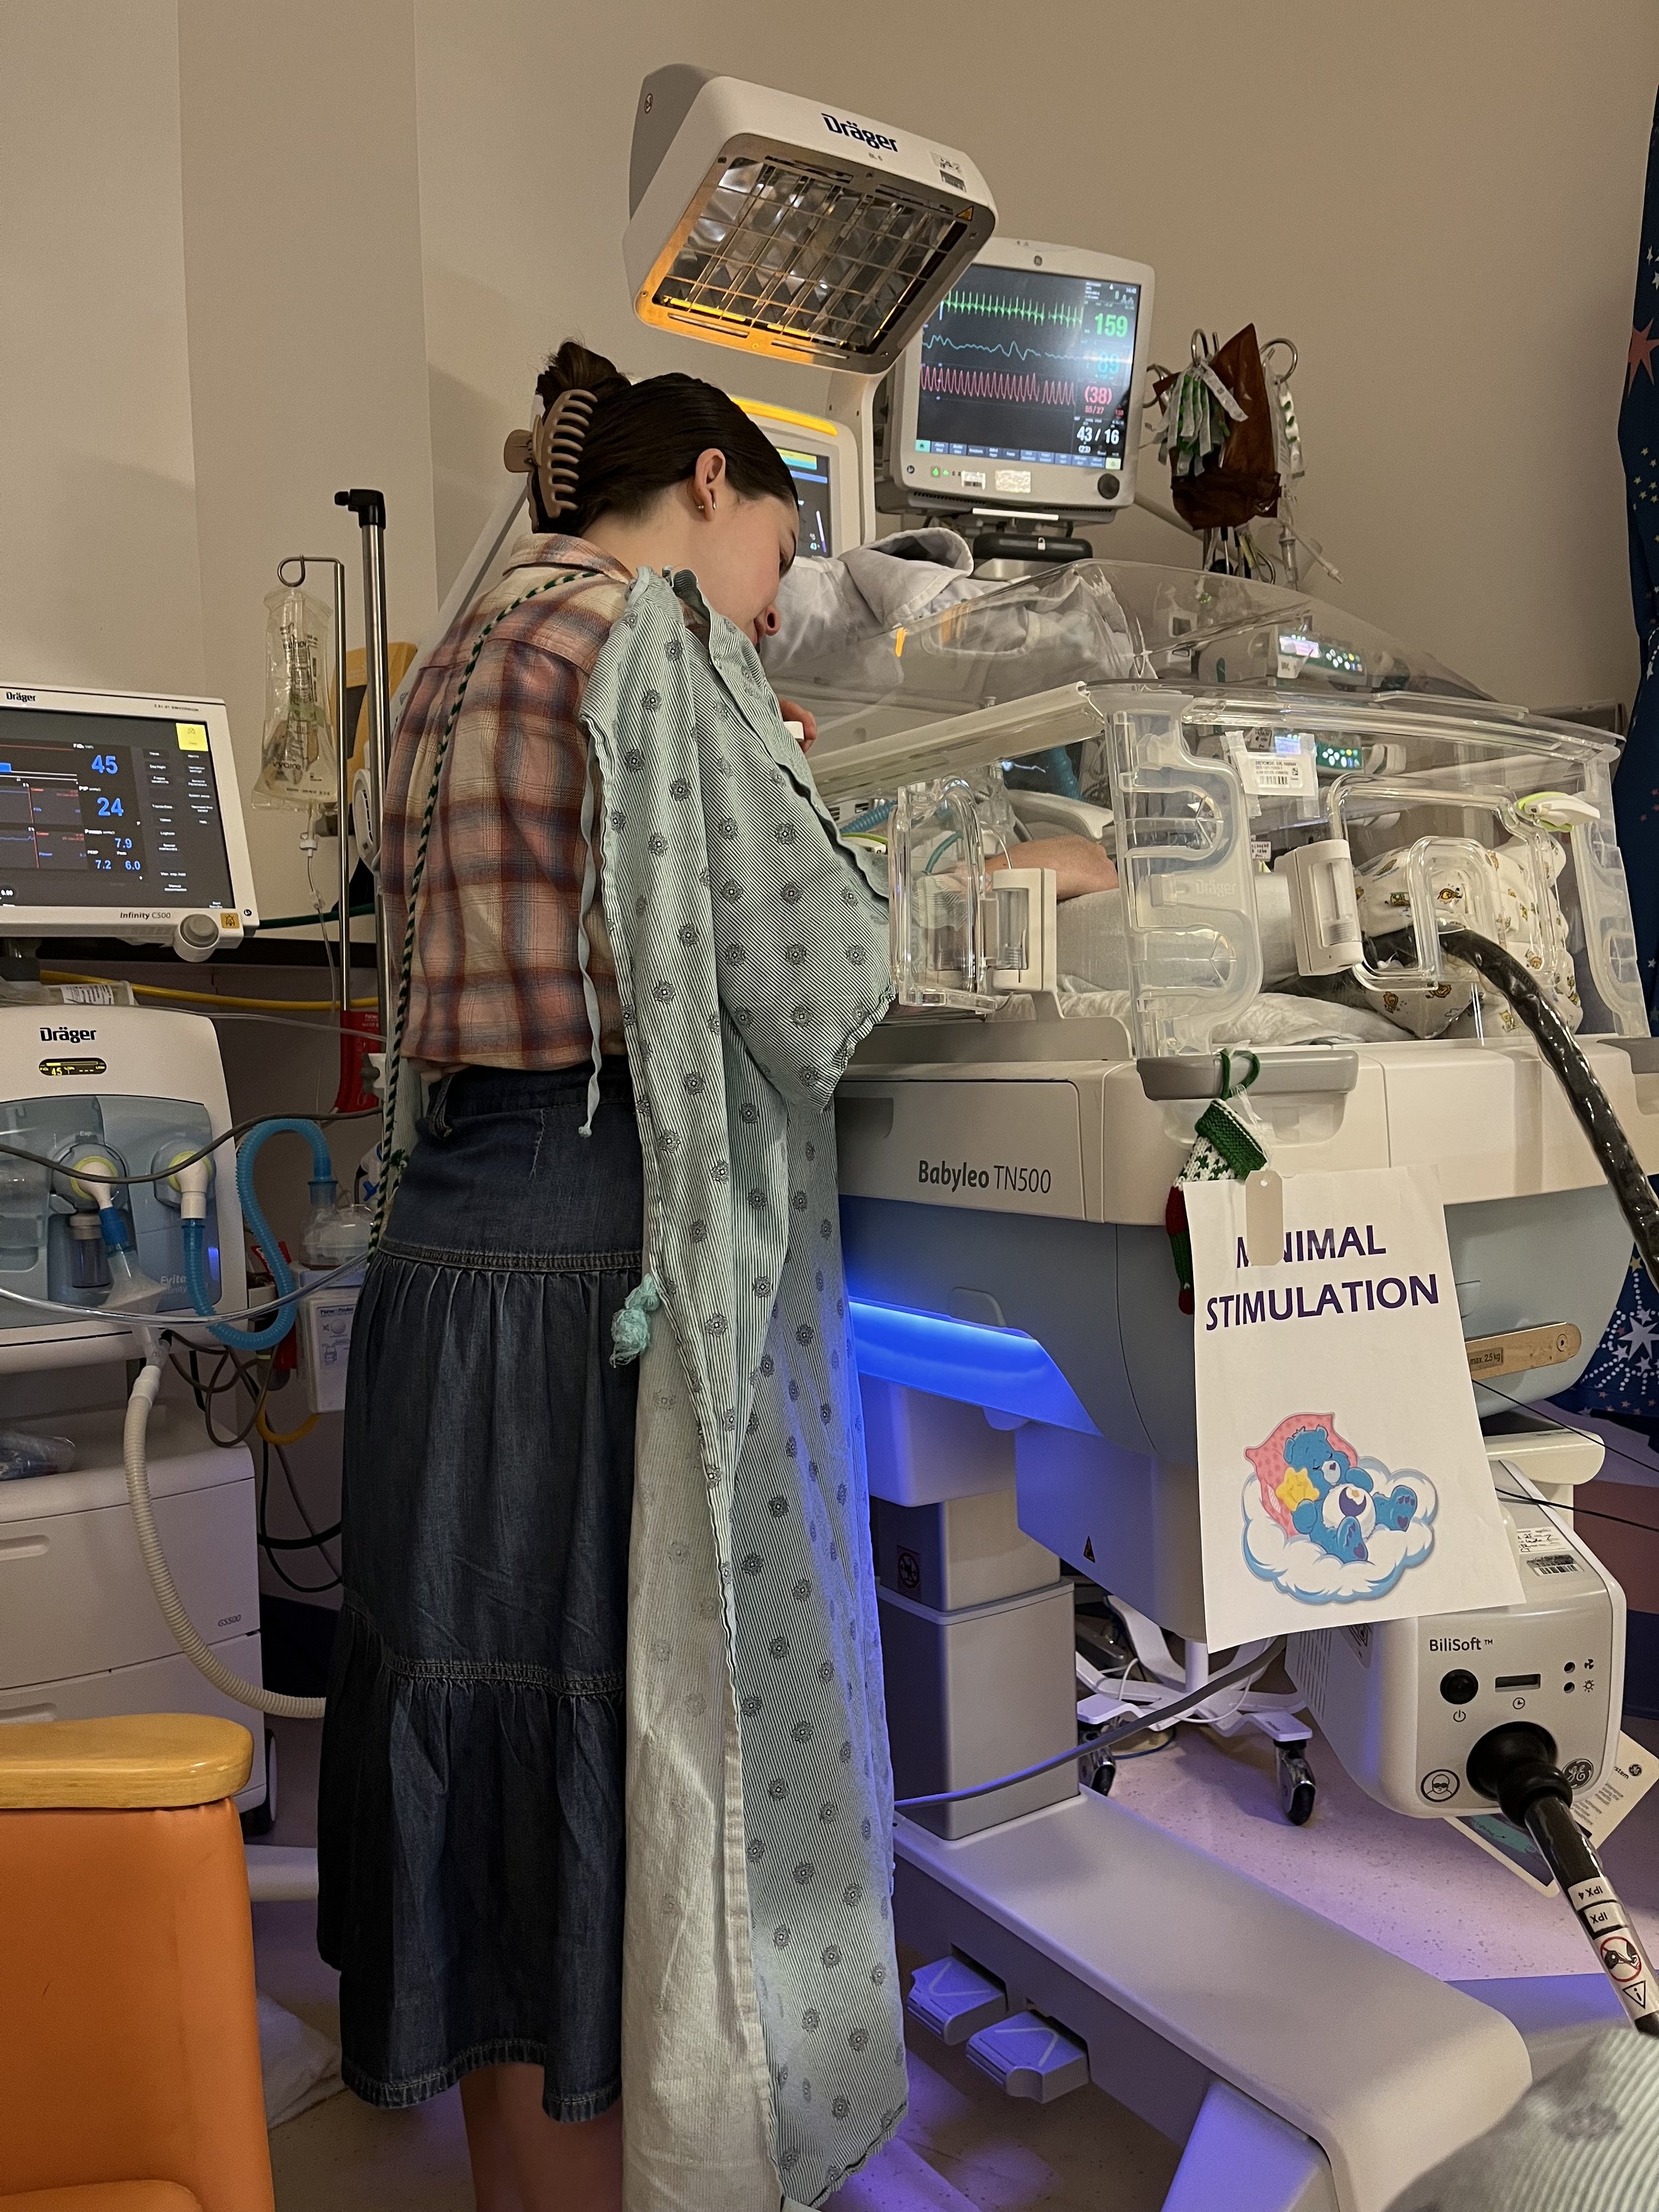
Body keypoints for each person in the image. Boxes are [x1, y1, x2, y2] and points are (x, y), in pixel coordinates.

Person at [317, 338, 1114, 2212]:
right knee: (607, 1744)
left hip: (449, 1258)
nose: (771, 603)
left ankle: (518, 2186)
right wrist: (1041, 871)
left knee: (484, 1741)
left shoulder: (458, 650)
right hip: (595, 1261)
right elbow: (816, 970)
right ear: (705, 490)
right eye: (777, 553)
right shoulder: (652, 642)